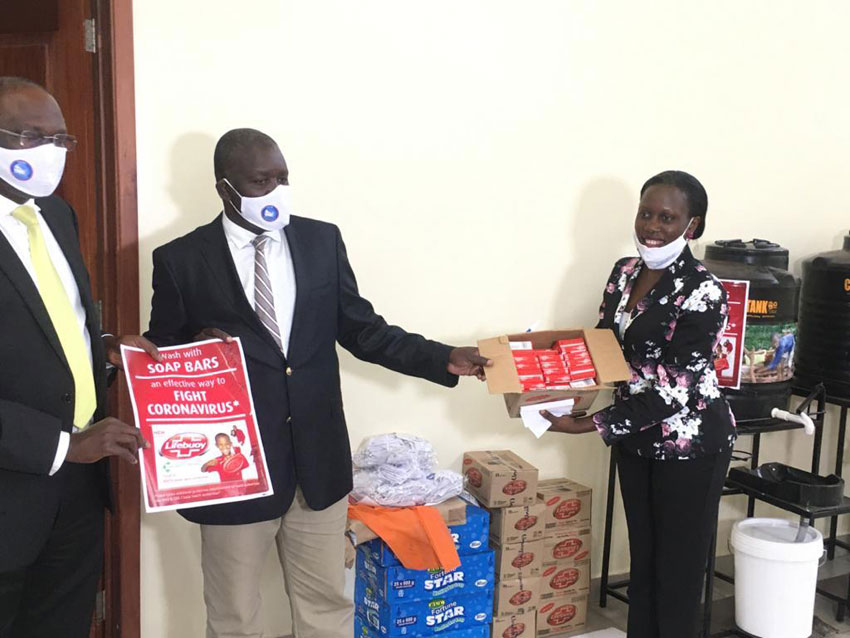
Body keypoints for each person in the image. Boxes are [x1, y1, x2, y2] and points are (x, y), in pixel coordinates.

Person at [144, 128, 490, 638]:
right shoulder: (181, 259)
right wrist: (192, 348)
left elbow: (362, 329)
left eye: (283, 178)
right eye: (261, 181)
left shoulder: (319, 240)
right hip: (234, 469)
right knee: (235, 615)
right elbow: (161, 354)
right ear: (225, 188)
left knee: (326, 605)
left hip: (318, 465)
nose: (276, 191)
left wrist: (443, 358)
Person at [542, 170, 735, 638]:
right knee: (644, 559)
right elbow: (604, 347)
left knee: (678, 571)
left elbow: (676, 388)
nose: (652, 226)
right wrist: (570, 387)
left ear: (693, 225)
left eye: (667, 217)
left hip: (691, 445)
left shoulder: (703, 290)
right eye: (646, 213)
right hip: (635, 437)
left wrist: (590, 425)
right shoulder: (624, 273)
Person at [0, 77, 160, 637]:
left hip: (80, 490)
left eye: (60, 139)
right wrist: (64, 446)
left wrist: (108, 351)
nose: (49, 152)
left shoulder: (57, 218)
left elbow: (54, 326)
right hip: (13, 482)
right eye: (28, 136)